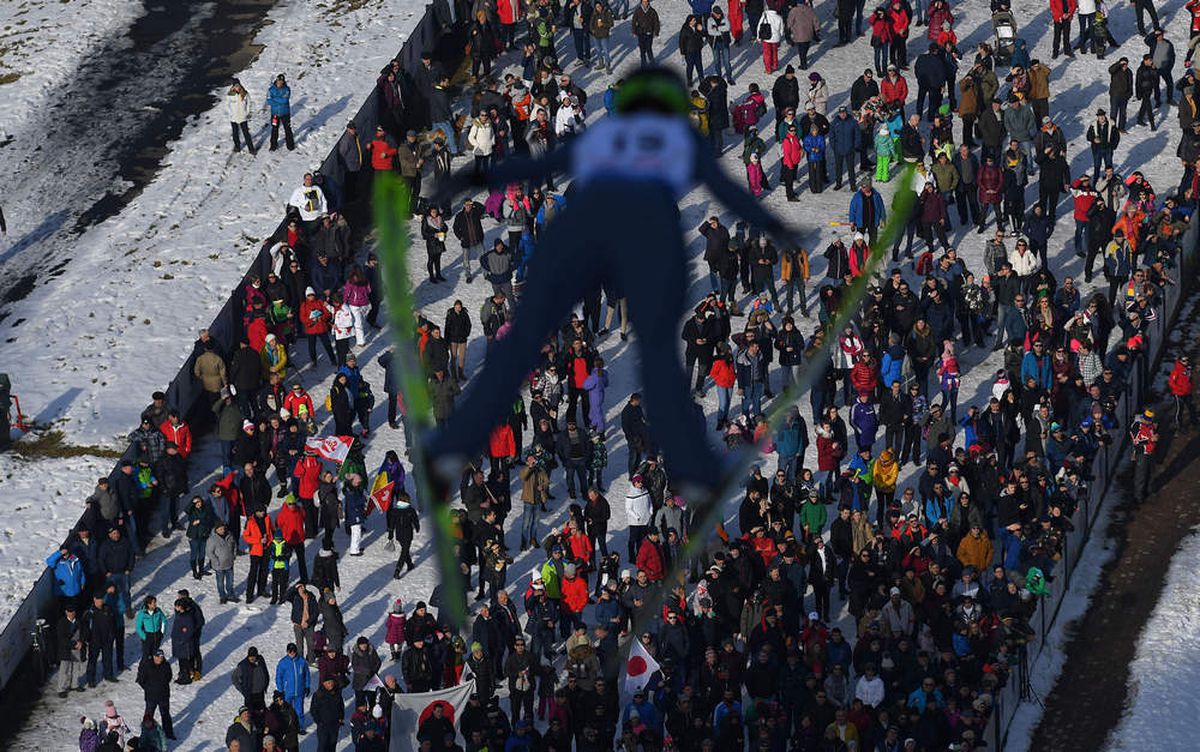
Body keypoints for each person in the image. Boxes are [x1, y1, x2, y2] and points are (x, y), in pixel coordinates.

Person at [424, 68, 796, 516]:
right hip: (641, 238)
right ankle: (691, 466)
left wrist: (468, 180)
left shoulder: (612, 137)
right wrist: (775, 227)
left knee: (527, 340)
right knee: (655, 354)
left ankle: (453, 446)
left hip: (586, 233)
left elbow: (536, 167)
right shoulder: (677, 141)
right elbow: (728, 193)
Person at [135, 650, 175, 740]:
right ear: (154, 657)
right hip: (151, 696)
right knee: (148, 716)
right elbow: (141, 679)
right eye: (158, 657)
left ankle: (168, 733)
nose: (160, 659)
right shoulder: (147, 666)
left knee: (165, 715)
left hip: (163, 695)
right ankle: (145, 733)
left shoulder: (166, 665)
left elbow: (169, 677)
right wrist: (148, 688)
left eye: (161, 657)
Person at [228, 79, 257, 154]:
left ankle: (251, 149)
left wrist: (246, 113)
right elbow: (227, 105)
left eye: (238, 85)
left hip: (242, 117)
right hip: (233, 117)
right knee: (235, 133)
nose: (237, 87)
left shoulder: (245, 93)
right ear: (233, 87)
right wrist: (231, 113)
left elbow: (249, 104)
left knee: (246, 133)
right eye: (235, 86)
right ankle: (237, 146)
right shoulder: (230, 94)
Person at [267, 74, 295, 151]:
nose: (280, 83)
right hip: (275, 114)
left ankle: (290, 145)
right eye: (279, 81)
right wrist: (279, 100)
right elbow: (269, 101)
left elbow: (285, 100)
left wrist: (274, 99)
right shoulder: (271, 90)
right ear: (276, 80)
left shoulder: (287, 89)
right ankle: (273, 146)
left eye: (282, 81)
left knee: (287, 129)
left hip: (285, 113)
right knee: (274, 129)